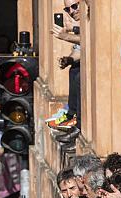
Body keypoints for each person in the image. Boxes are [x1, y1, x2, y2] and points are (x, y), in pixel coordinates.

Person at [48, 0, 82, 130]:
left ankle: (77, 123)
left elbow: (90, 39)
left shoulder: (91, 18)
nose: (72, 11)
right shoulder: (80, 23)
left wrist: (66, 35)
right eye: (68, 9)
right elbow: (79, 49)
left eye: (74, 6)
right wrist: (69, 59)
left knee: (79, 76)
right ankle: (71, 114)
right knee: (74, 69)